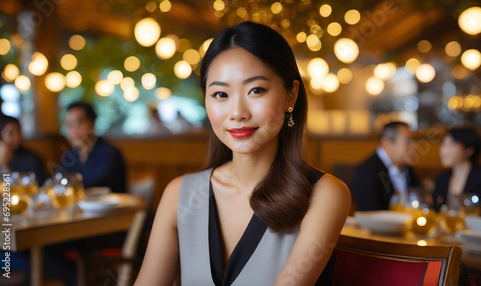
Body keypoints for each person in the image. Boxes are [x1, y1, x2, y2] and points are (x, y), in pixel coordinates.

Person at [135, 21, 351, 285]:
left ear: (291, 95)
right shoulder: (180, 194)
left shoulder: (326, 194)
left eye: (256, 90)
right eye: (220, 94)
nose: (237, 112)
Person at [59, 102, 126, 193]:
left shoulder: (109, 153)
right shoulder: (70, 156)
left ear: (93, 123)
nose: (74, 129)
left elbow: (95, 184)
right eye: (69, 124)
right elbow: (58, 181)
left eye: (80, 122)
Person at [351, 121, 419, 211]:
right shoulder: (367, 171)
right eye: (408, 141)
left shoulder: (406, 167)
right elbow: (370, 214)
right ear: (387, 144)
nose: (415, 146)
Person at [433, 128, 481, 218]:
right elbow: (436, 211)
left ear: (469, 150)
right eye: (443, 144)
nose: (444, 150)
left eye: (451, 145)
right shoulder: (442, 179)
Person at [0, 115, 47, 185]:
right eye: (10, 134)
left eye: (19, 132)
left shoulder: (31, 158)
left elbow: (39, 185)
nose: (17, 138)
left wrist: (4, 165)